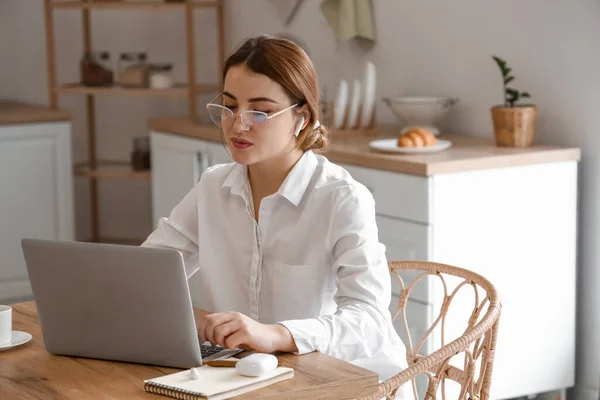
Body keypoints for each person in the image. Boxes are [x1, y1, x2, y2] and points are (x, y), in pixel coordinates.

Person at [142, 35, 409, 394]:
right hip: (251, 381)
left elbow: (370, 322)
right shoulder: (212, 188)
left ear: (301, 117)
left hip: (345, 385)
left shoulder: (341, 199)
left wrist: (277, 334)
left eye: (260, 111)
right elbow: (147, 275)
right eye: (230, 106)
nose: (238, 125)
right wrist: (196, 318)